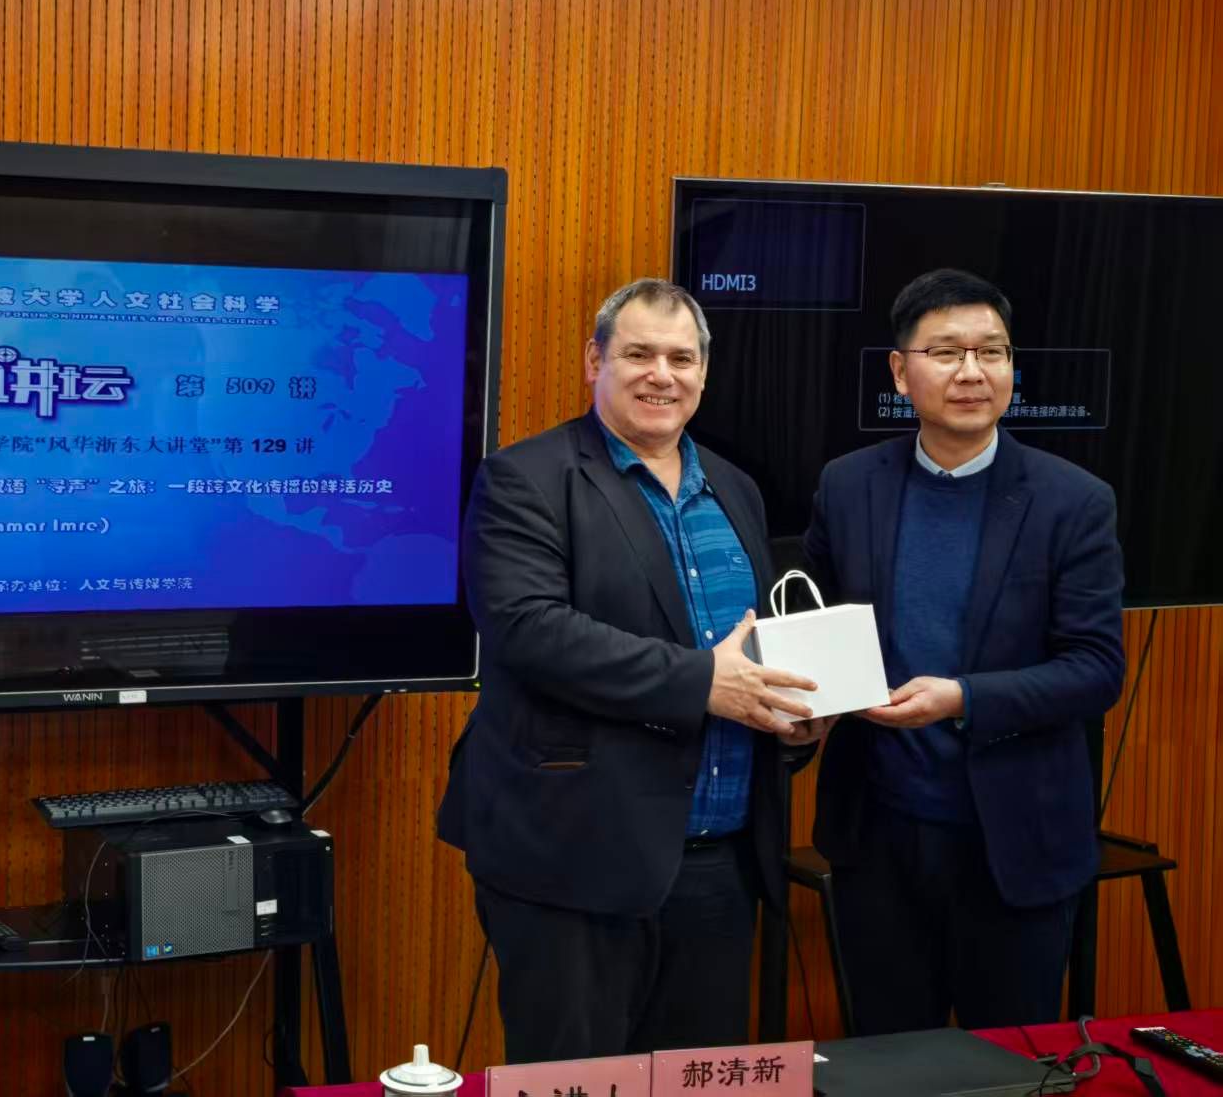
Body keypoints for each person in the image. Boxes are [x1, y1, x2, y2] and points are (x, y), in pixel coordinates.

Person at [437, 277, 824, 1064]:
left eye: (682, 358)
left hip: (719, 865)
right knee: (572, 1081)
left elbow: (748, 652)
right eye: (639, 353)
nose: (662, 375)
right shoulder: (524, 479)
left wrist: (792, 718)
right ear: (595, 360)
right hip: (574, 862)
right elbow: (529, 630)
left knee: (697, 1081)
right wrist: (703, 682)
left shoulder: (737, 489)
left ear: (704, 372)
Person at [804, 267, 1125, 1032]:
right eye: (947, 352)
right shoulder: (848, 486)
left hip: (1013, 844)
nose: (973, 372)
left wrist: (964, 698)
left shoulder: (1073, 500)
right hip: (878, 840)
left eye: (993, 351)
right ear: (900, 371)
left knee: (1008, 1067)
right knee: (886, 1064)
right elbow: (816, 625)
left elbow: (1096, 668)